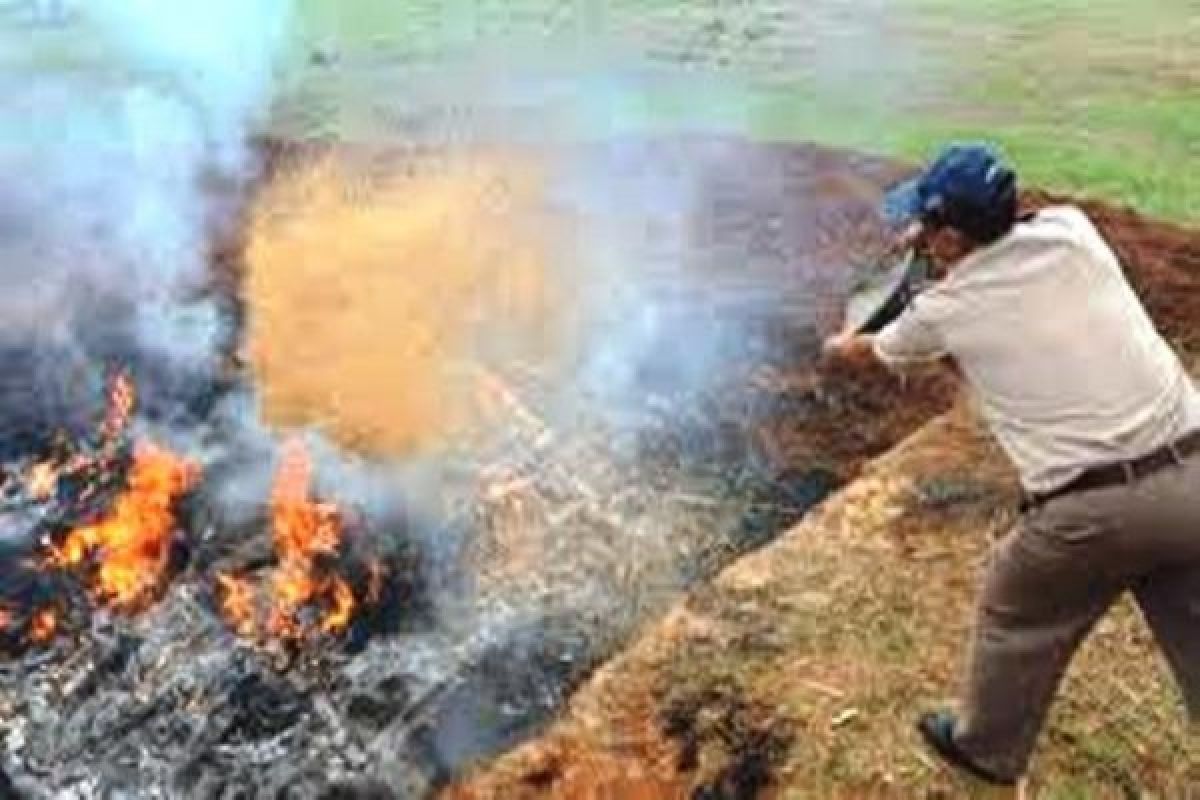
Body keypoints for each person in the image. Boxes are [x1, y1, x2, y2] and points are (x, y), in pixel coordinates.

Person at [822, 142, 1200, 786]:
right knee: (1190, 606)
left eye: (927, 223)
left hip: (1095, 510)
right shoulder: (1072, 234)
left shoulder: (945, 310)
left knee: (1014, 610)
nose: (916, 231)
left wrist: (837, 342)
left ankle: (985, 750)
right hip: (1194, 468)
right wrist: (941, 252)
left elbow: (871, 349)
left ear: (949, 231)